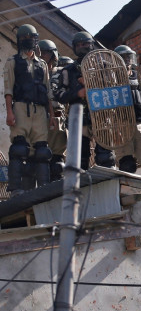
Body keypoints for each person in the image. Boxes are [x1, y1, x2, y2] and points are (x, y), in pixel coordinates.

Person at [4, 24, 54, 195]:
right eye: (24, 38)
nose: (27, 41)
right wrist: (10, 112)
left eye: (30, 38)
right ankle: (16, 189)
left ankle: (44, 189)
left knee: (41, 151)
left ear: (36, 40)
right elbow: (8, 90)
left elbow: (48, 93)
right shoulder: (13, 62)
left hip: (40, 111)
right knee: (19, 149)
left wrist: (52, 116)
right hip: (20, 108)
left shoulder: (42, 65)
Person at [57, 31, 116, 171]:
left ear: (91, 45)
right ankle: (80, 191)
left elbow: (114, 87)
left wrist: (91, 82)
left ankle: (107, 188)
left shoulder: (105, 66)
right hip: (79, 120)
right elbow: (59, 94)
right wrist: (77, 93)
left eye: (85, 44)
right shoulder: (68, 71)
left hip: (102, 117)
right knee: (79, 160)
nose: (82, 47)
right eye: (78, 44)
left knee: (105, 157)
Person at [113, 45, 141, 174]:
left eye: (127, 57)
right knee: (127, 164)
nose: (126, 60)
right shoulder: (110, 81)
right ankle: (128, 193)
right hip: (121, 125)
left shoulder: (140, 77)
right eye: (122, 58)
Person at [38, 40, 68, 182]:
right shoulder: (34, 74)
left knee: (57, 162)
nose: (42, 55)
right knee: (39, 159)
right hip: (38, 118)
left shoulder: (62, 73)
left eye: (45, 53)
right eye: (40, 52)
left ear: (53, 55)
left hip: (57, 117)